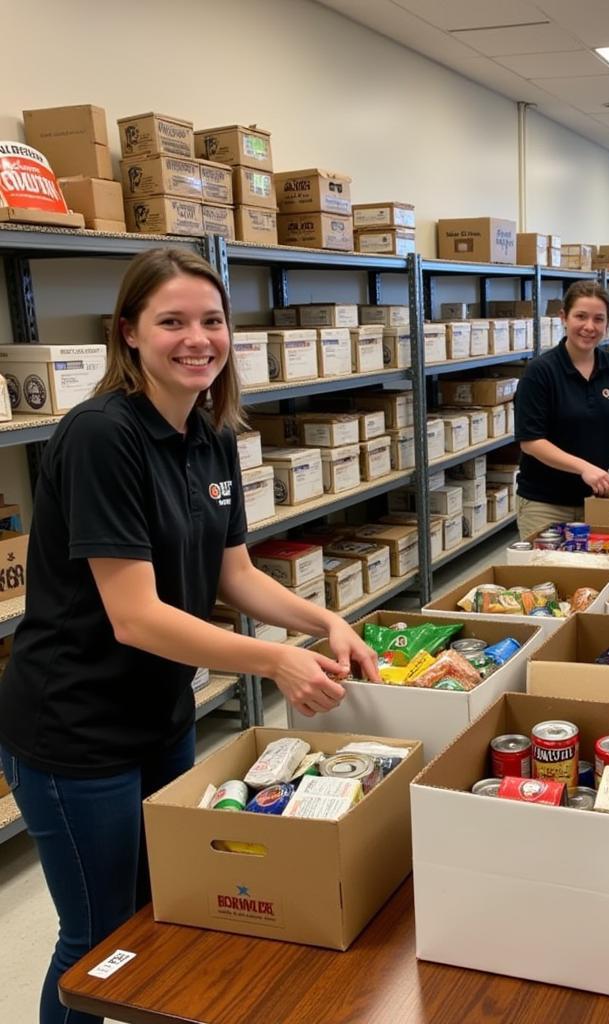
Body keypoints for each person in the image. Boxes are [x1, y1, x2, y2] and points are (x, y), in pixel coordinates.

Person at [0, 248, 380, 1024]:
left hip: (160, 719)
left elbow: (232, 576)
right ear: (128, 334)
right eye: (171, 321)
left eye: (211, 321)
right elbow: (134, 616)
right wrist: (276, 658)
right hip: (76, 730)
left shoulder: (210, 435)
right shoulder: (102, 436)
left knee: (155, 913)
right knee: (96, 938)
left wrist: (326, 619)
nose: (196, 338)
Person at [514, 280, 609, 538]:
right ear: (564, 317)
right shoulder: (540, 372)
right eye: (581, 317)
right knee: (553, 572)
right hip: (547, 504)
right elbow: (531, 441)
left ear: (607, 323)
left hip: (601, 499)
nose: (589, 327)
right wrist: (584, 467)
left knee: (601, 572)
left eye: (599, 319)